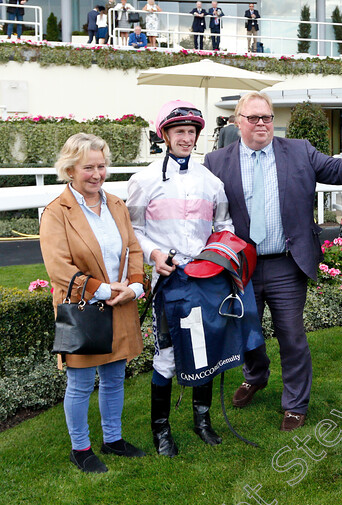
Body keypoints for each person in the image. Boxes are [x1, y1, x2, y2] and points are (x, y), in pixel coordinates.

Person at [203, 92, 342, 431]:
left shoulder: (298, 151)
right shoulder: (215, 162)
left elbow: (337, 169)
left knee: (291, 335)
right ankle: (256, 375)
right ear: (239, 122)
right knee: (247, 330)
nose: (262, 123)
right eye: (254, 118)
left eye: (266, 117)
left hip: (286, 263)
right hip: (241, 266)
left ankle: (295, 403)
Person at [127, 100, 234, 456]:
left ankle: (202, 421)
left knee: (206, 350)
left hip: (204, 280)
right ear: (165, 135)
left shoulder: (212, 182)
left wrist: (218, 258)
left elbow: (223, 227)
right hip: (168, 282)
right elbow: (133, 230)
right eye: (179, 132)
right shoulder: (143, 181)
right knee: (169, 356)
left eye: (191, 132)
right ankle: (161, 431)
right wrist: (154, 255)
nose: (186, 139)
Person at [41, 133, 147, 473]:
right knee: (82, 383)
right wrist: (103, 291)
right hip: (83, 308)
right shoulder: (56, 212)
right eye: (89, 167)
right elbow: (59, 269)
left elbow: (133, 249)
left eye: (102, 166)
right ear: (70, 169)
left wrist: (134, 286)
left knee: (115, 376)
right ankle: (80, 448)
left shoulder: (116, 204)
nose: (97, 174)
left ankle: (113, 439)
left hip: (121, 302)